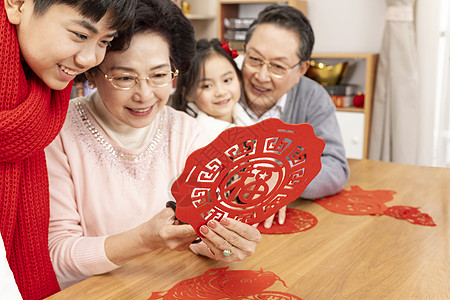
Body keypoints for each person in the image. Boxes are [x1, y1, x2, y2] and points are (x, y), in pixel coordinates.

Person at [45, 0, 261, 289]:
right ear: (93, 72)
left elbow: (198, 235)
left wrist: (220, 244)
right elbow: (56, 256)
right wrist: (145, 238)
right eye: (125, 78)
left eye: (159, 75)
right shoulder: (57, 134)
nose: (144, 95)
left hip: (169, 284)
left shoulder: (186, 131)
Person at [0, 0, 136, 298]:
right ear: (18, 4)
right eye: (78, 35)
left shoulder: (41, 99)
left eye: (104, 41)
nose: (89, 58)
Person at [240, 4, 350, 227]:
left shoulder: (312, 97)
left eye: (277, 67)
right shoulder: (219, 84)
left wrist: (284, 180)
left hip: (280, 222)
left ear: (301, 70)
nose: (261, 76)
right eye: (254, 59)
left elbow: (335, 166)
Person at [172, 38, 253, 140]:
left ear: (239, 78)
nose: (220, 92)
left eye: (227, 80)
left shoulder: (244, 116)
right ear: (187, 93)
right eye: (207, 86)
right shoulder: (193, 136)